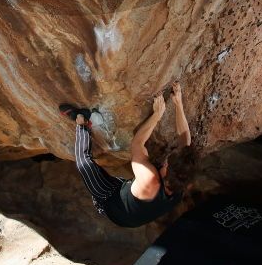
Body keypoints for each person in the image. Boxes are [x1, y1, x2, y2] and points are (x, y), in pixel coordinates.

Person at [60, 81, 193, 228]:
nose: (168, 157)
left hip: (112, 206)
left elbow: (137, 144)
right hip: (131, 203)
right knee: (120, 182)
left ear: (166, 171)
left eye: (168, 160)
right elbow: (185, 140)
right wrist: (178, 104)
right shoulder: (180, 181)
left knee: (84, 163)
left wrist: (157, 115)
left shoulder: (150, 180)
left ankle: (81, 123)